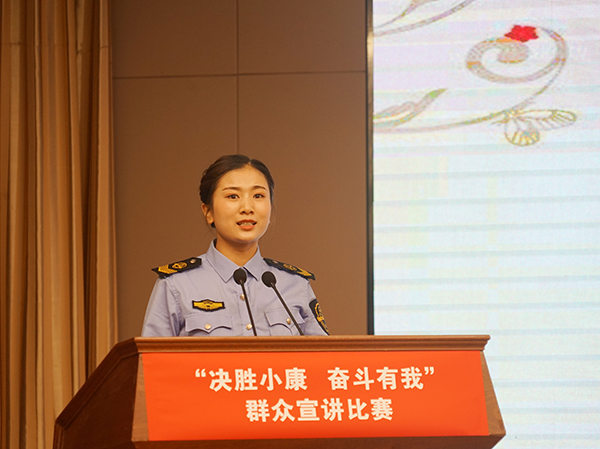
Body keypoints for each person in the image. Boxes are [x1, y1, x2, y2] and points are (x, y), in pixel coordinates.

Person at [141, 154, 329, 337]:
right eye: (232, 196)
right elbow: (150, 357)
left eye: (258, 195)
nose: (247, 208)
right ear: (208, 212)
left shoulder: (295, 284)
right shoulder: (176, 285)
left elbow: (325, 356)